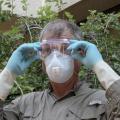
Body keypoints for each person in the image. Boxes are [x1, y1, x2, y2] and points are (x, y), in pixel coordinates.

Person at [0, 19, 120, 120]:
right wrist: (8, 74)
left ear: (81, 54)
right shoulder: (25, 104)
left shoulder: (104, 102)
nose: (55, 56)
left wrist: (99, 65)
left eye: (65, 48)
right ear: (41, 56)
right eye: (48, 49)